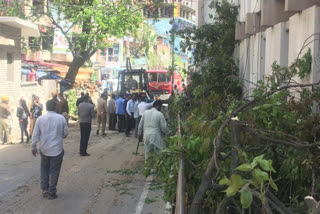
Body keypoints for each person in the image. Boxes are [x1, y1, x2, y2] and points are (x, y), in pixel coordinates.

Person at [31, 99, 68, 200]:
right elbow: (65, 134)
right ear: (55, 107)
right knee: (54, 170)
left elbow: (35, 135)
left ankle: (45, 190)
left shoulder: (40, 119)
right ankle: (52, 192)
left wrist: (33, 147)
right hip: (57, 150)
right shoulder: (61, 118)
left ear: (46, 107)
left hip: (44, 149)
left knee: (44, 169)